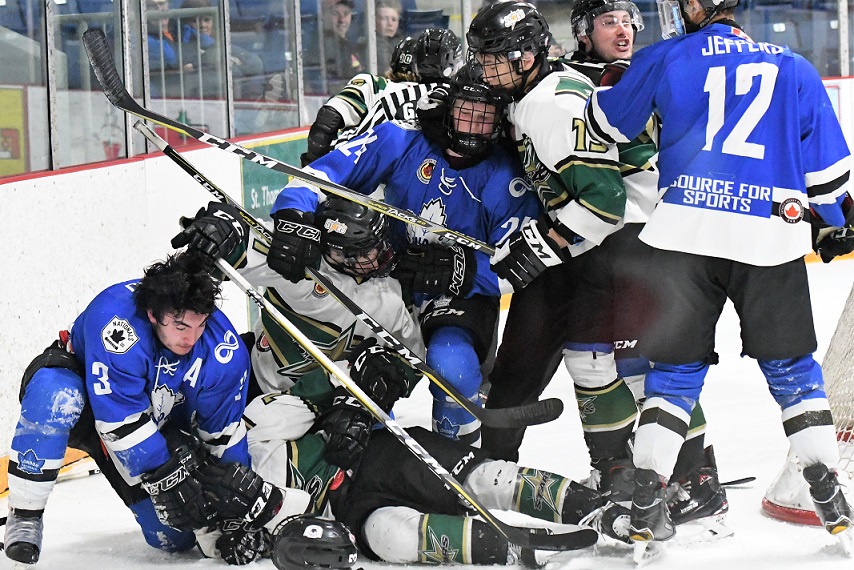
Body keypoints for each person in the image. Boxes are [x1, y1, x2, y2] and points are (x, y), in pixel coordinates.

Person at [174, 200, 629, 565]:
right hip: (293, 413)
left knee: (481, 475)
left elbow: (405, 361)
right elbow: (238, 241)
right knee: (392, 535)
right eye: (357, 253)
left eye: (375, 247)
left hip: (364, 436)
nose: (372, 260)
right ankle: (506, 550)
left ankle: (594, 505)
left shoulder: (389, 299)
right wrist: (218, 230)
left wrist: (376, 386)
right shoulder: (292, 272)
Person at [583, 0, 854, 545]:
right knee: (793, 370)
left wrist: (609, 81)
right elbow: (830, 176)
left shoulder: (665, 56)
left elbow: (606, 125)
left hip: (684, 234)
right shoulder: (792, 65)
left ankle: (645, 500)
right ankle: (826, 487)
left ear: (692, 7)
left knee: (675, 374)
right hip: (770, 234)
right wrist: (832, 222)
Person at [466, 0, 726, 528]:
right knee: (595, 357)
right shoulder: (535, 94)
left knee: (632, 366)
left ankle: (692, 477)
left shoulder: (549, 105)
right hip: (625, 239)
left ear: (527, 56)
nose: (487, 68)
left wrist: (542, 245)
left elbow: (603, 202)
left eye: (497, 56)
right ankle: (624, 476)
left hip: (634, 236)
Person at [268, 64, 541, 447]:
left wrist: (460, 269)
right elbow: (322, 174)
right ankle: (367, 453)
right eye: (465, 111)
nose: (472, 126)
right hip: (385, 273)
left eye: (485, 117)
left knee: (453, 369)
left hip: (456, 294)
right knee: (363, 370)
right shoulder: (401, 139)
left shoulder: (506, 177)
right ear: (447, 107)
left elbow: (523, 264)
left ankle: (456, 464)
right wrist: (295, 213)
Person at [3, 251, 283, 565]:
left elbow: (222, 433)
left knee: (175, 539)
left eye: (200, 325)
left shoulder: (223, 349)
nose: (190, 338)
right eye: (180, 326)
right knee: (56, 398)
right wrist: (166, 473)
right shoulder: (116, 324)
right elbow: (118, 420)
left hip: (148, 421)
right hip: (88, 404)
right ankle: (25, 515)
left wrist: (232, 513)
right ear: (152, 314)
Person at [300, 28, 462, 166]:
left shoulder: (376, 84)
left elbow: (328, 119)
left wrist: (314, 166)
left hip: (353, 169)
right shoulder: (449, 95)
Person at [320, 0, 366, 93]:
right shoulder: (322, 46)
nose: (342, 20)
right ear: (325, 15)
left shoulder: (350, 44)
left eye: (346, 14)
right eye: (336, 14)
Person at [375, 0, 404, 75]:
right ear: (374, 20)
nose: (390, 23)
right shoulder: (368, 45)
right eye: (384, 18)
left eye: (394, 19)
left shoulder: (404, 44)